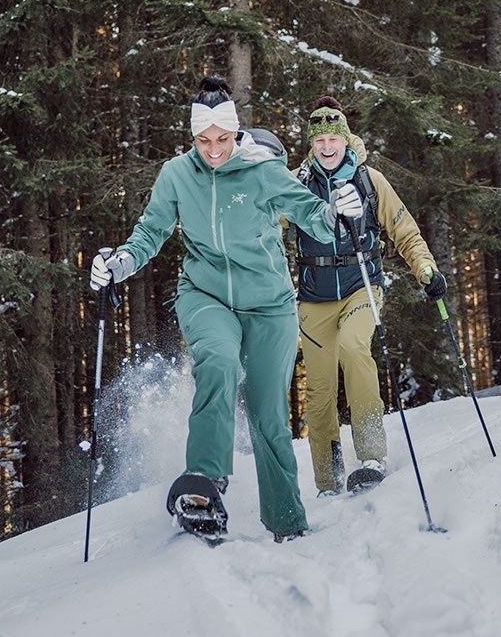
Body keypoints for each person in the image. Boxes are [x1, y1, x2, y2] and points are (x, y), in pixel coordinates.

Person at [89, 76, 363, 542]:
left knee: (267, 412)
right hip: (205, 293)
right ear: (192, 137)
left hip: (269, 304)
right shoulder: (177, 174)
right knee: (215, 361)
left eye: (222, 139)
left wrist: (340, 210)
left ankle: (286, 521)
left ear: (236, 134)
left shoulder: (262, 170)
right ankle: (205, 484)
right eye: (203, 140)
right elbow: (150, 231)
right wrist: (120, 262)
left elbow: (311, 214)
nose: (213, 149)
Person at [289, 96, 446, 497]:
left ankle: (372, 455)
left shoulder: (369, 179)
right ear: (312, 142)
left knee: (353, 347)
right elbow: (266, 228)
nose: (327, 146)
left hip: (362, 285)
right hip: (312, 295)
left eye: (333, 138)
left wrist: (425, 269)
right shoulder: (296, 183)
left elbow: (403, 229)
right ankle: (327, 477)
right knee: (319, 387)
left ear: (345, 139)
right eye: (319, 139)